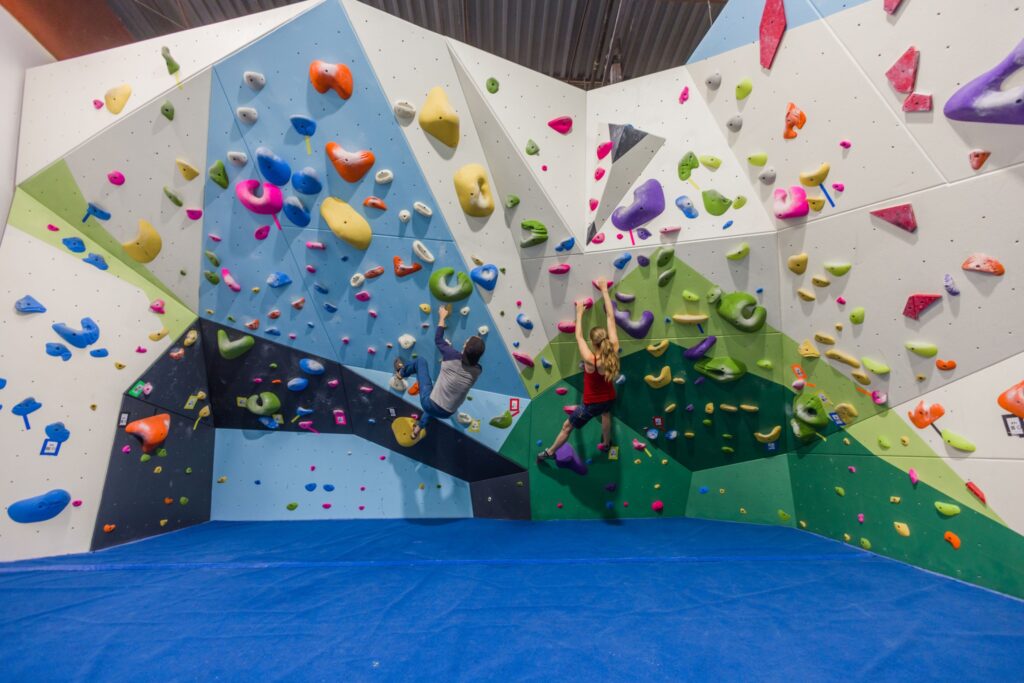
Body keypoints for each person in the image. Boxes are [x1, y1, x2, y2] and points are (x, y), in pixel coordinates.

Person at [538, 278, 620, 463]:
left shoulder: (591, 360)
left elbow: (578, 337)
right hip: (609, 397)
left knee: (567, 427)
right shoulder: (614, 348)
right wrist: (604, 290)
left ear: (594, 343)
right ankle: (606, 443)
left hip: (591, 404)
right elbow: (610, 317)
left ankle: (549, 453)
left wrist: (579, 312)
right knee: (606, 415)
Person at [393, 304, 485, 440]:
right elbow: (462, 362)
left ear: (464, 347)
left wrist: (442, 317)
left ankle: (401, 372)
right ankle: (417, 429)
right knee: (438, 399)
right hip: (448, 412)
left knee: (420, 362)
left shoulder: (451, 355)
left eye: (466, 342)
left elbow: (438, 340)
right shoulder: (477, 370)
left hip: (430, 403)